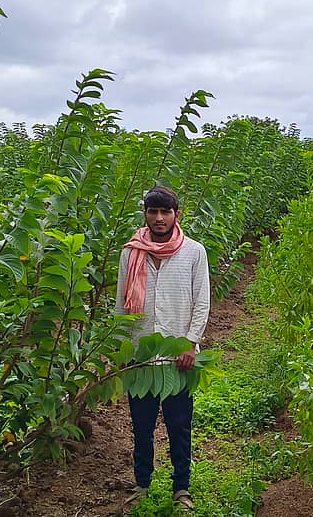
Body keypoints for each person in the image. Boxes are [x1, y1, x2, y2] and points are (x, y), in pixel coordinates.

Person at [114, 185, 210, 512]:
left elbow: (202, 302)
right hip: (141, 360)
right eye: (153, 212)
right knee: (141, 427)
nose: (158, 218)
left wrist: (190, 343)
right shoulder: (131, 253)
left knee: (179, 426)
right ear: (145, 214)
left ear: (175, 215)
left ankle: (181, 488)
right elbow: (121, 305)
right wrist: (121, 350)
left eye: (165, 212)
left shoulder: (194, 252)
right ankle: (142, 484)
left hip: (177, 360)